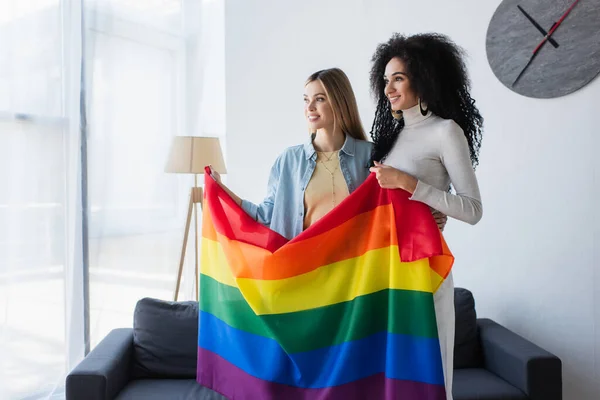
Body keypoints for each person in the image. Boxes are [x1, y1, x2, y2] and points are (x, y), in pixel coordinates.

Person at [368, 33, 484, 400]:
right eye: (385, 80)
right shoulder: (392, 138)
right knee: (392, 379)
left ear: (424, 78)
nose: (388, 88)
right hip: (387, 271)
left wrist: (410, 185)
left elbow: (472, 209)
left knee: (430, 377)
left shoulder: (445, 132)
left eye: (398, 78)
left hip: (426, 268)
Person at [210, 68, 373, 239]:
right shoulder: (290, 160)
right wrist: (220, 189)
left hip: (355, 263)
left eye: (319, 99)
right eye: (306, 100)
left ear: (339, 102)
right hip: (307, 263)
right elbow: (264, 216)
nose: (309, 107)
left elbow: (384, 215)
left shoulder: (369, 155)